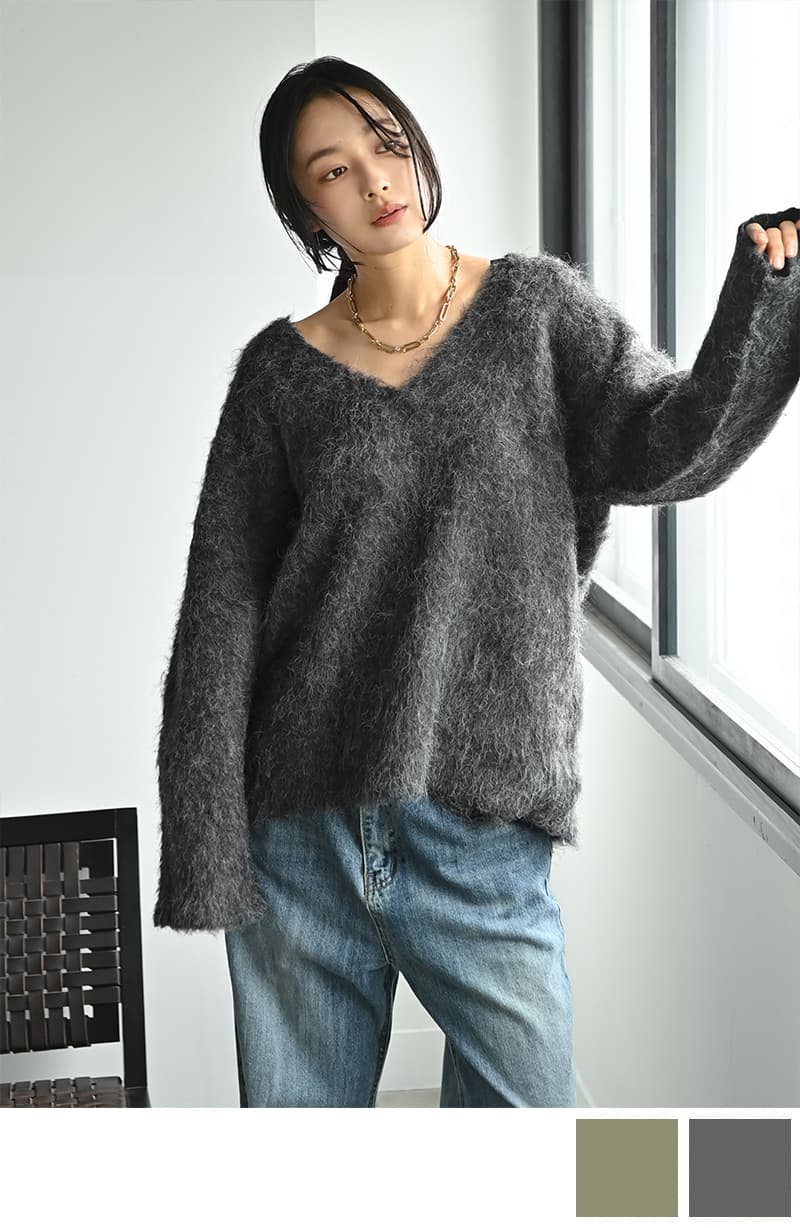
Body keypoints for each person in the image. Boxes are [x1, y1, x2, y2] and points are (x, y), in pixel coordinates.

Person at [152, 54, 800, 1109]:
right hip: (299, 833)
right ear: (305, 210)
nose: (374, 179)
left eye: (385, 144)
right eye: (332, 170)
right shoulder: (277, 376)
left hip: (476, 824)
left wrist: (764, 301)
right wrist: (207, 849)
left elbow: (664, 446)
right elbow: (221, 616)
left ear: (414, 146)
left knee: (548, 1149)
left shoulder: (535, 311)